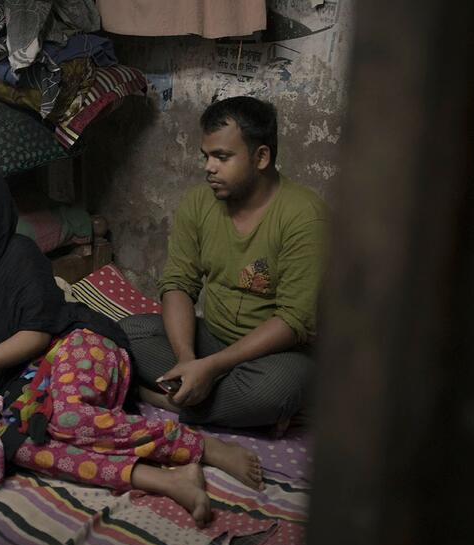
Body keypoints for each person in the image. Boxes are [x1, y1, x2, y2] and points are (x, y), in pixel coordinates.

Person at [0, 159, 262, 527]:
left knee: (68, 418)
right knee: (14, 445)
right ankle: (165, 479)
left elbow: (36, 333)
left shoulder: (17, 255)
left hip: (74, 343)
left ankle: (201, 447)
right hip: (17, 379)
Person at [119, 96, 327, 432]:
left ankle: (165, 399)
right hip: (212, 338)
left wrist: (213, 368)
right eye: (207, 156)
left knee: (273, 392)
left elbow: (293, 320)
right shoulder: (199, 202)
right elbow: (178, 284)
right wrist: (188, 360)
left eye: (222, 157)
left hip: (276, 356)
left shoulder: (304, 216)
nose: (208, 167)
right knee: (126, 333)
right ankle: (216, 400)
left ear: (261, 157)